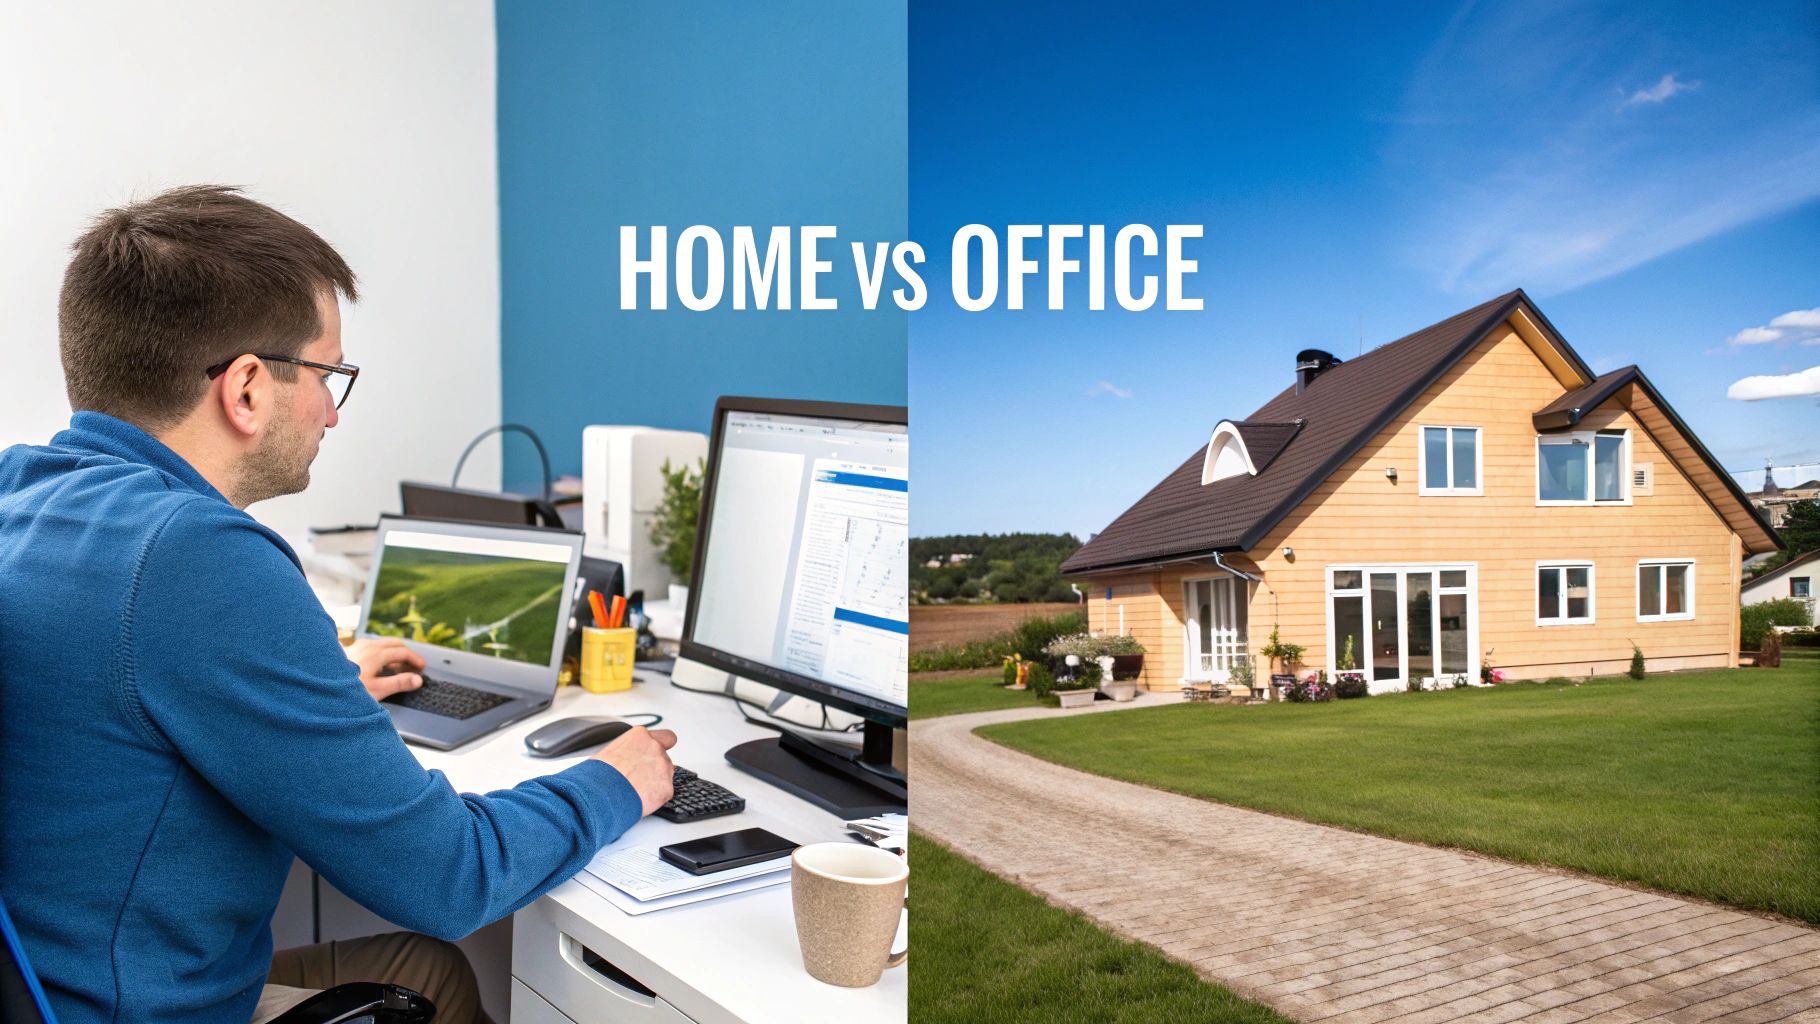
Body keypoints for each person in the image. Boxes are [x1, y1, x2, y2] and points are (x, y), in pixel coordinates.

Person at [0, 185, 678, 1024]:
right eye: (328, 375)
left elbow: (117, 692)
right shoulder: (198, 559)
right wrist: (614, 782)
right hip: (134, 1007)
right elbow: (448, 875)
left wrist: (321, 688)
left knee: (425, 970)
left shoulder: (23, 493)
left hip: (60, 980)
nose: (330, 411)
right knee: (438, 961)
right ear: (247, 389)